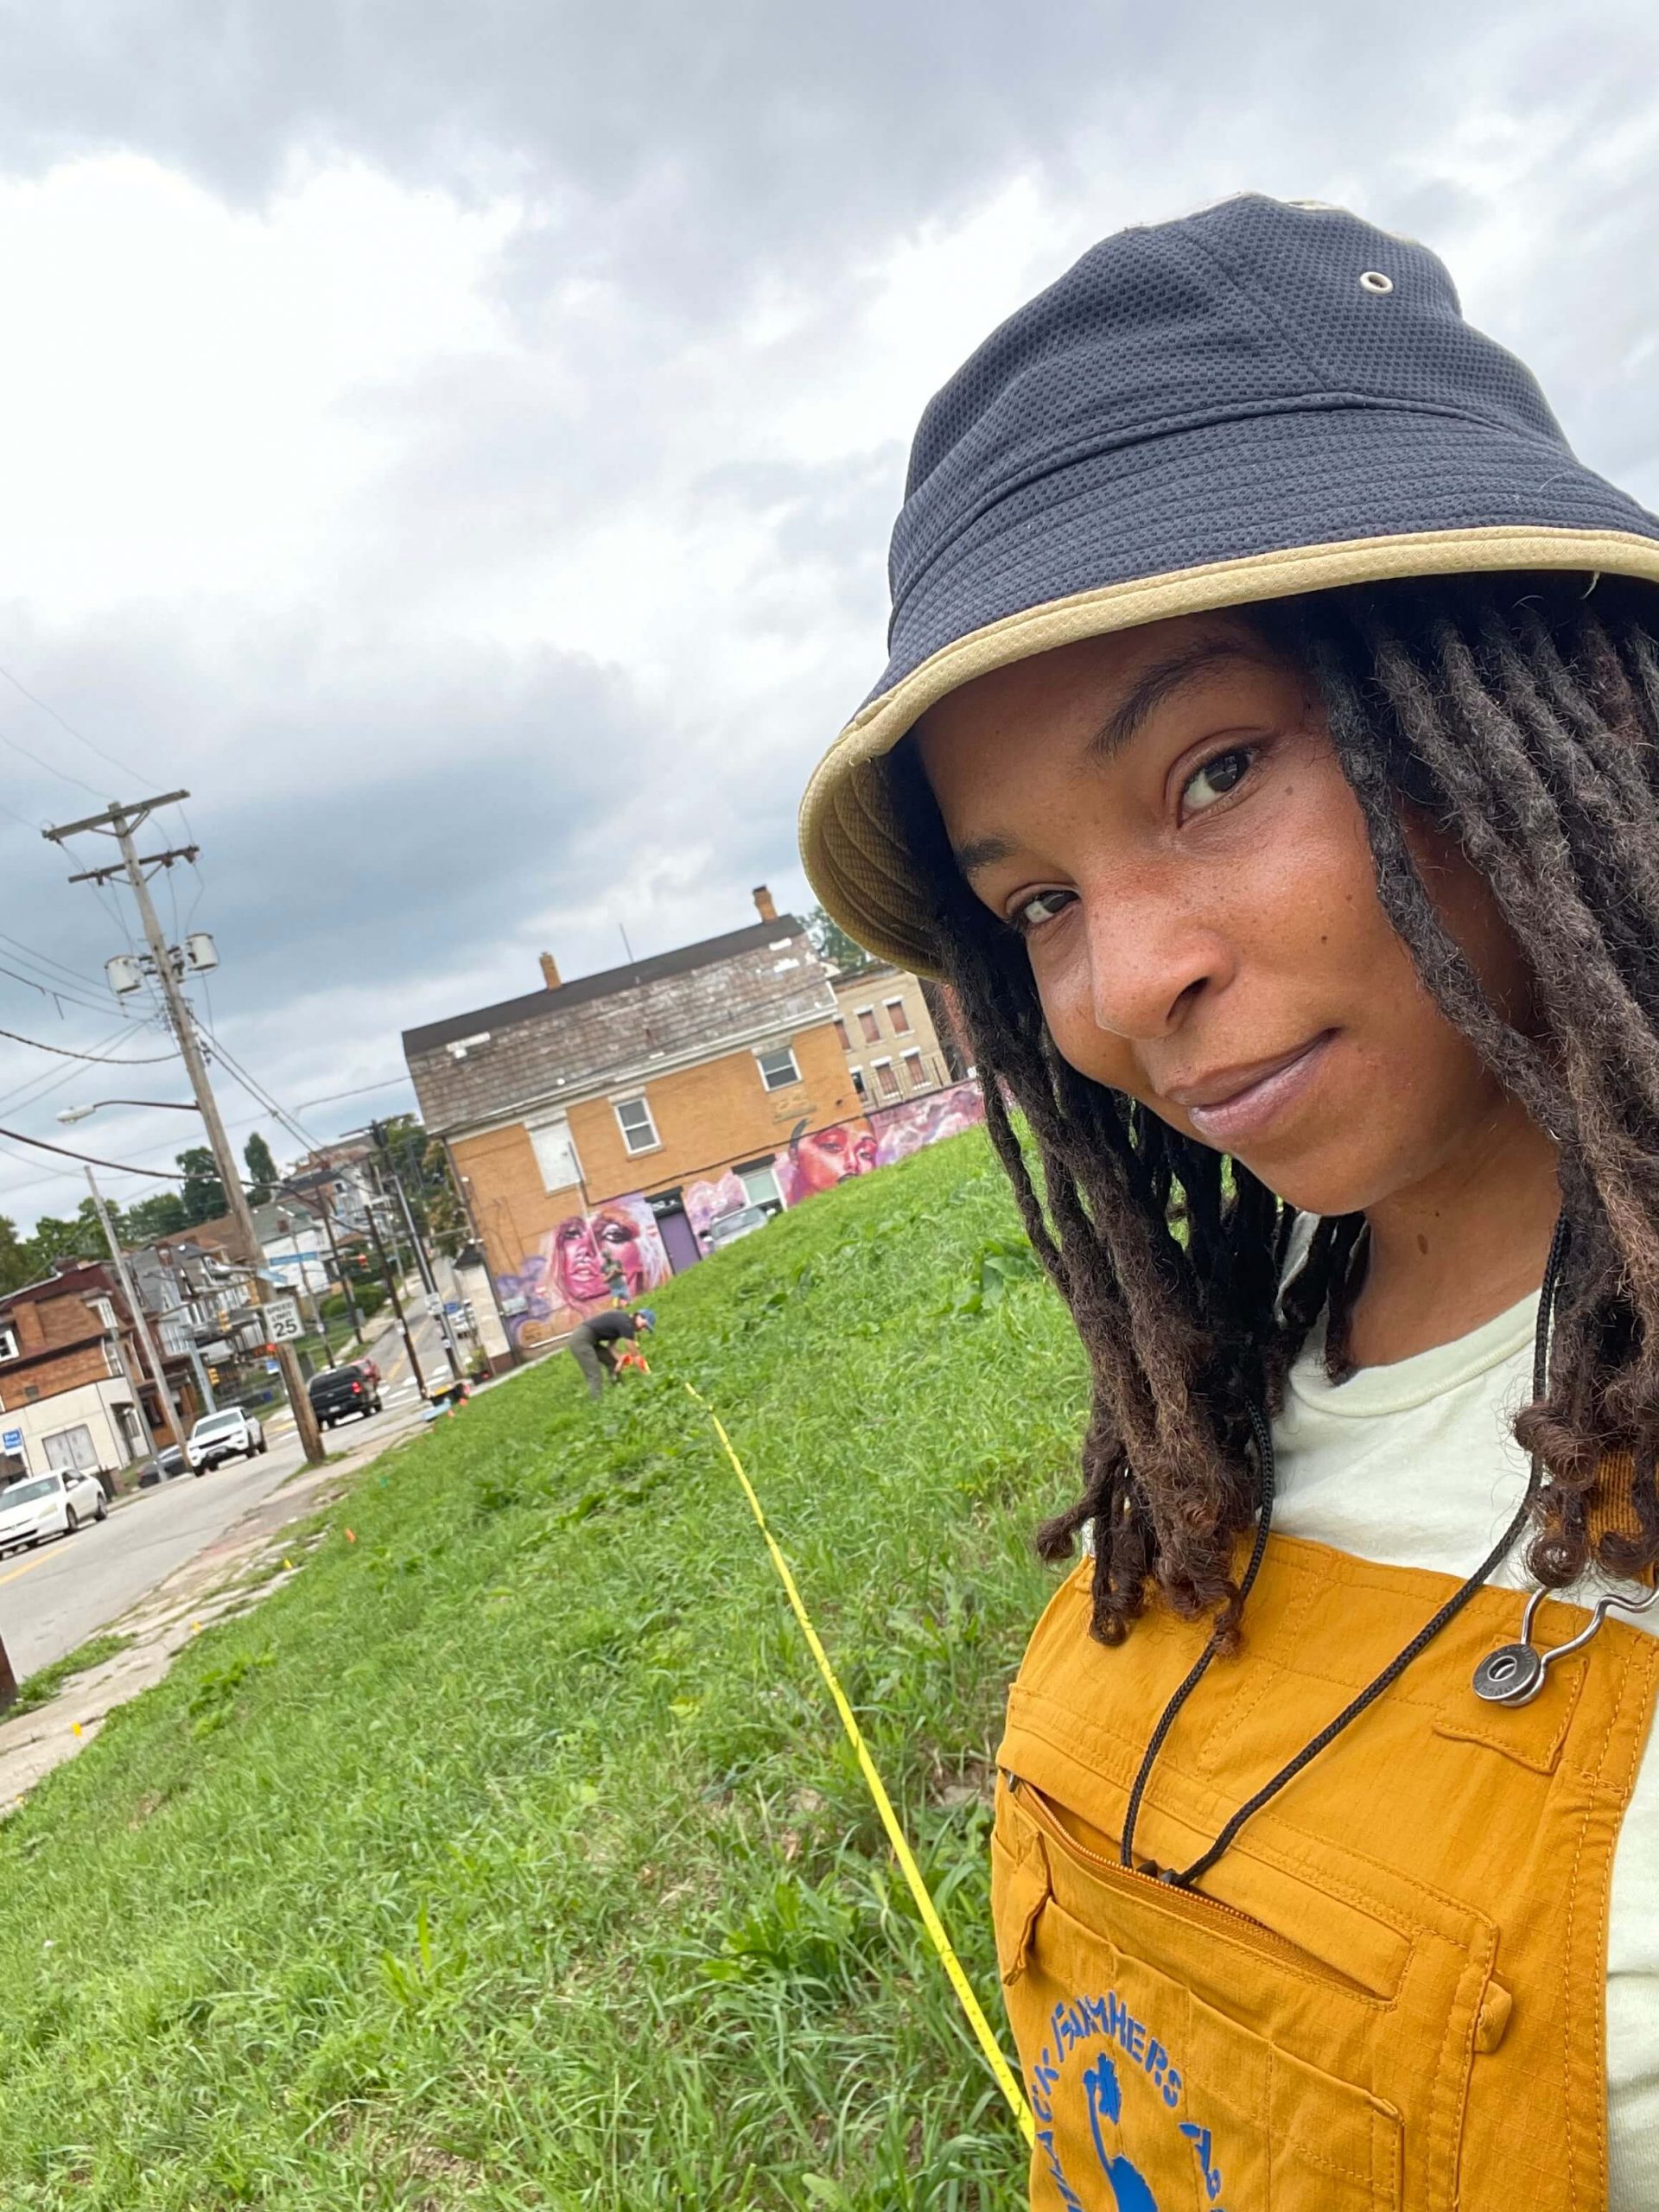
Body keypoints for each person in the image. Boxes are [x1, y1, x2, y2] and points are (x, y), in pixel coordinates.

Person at [799, 197, 1659, 2211]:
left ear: (1523, 693)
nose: (1118, 987)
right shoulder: (1230, 1374)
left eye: (1211, 772)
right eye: (1034, 901)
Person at [567, 1306, 655, 1399]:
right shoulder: (626, 1324)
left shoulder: (623, 1322)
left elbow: (611, 1347)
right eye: (644, 1326)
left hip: (590, 1340)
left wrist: (620, 1362)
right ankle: (597, 1403)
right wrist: (646, 1373)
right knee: (594, 1374)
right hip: (581, 1340)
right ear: (639, 1317)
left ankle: (619, 1391)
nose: (642, 1330)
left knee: (612, 1362)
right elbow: (635, 1354)